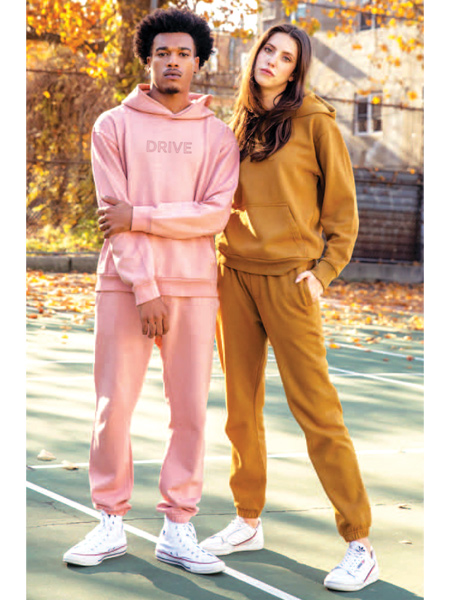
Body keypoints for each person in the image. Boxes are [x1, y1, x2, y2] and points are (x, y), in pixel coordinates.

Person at [198, 24, 379, 592]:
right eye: (268, 51)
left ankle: (360, 543)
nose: (273, 62)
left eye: (287, 57)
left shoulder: (316, 122)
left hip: (290, 283)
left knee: (317, 413)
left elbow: (343, 213)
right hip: (234, 276)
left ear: (298, 70)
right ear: (255, 56)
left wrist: (323, 273)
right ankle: (247, 520)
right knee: (240, 410)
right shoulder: (240, 119)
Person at [62, 8, 239, 575]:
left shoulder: (216, 135)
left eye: (184, 54)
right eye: (163, 52)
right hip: (125, 287)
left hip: (194, 290)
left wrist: (142, 213)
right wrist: (144, 288)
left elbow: (213, 215)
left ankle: (178, 527)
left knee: (189, 412)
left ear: (199, 63)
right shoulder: (112, 126)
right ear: (148, 59)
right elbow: (111, 221)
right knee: (113, 408)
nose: (172, 61)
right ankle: (110, 520)